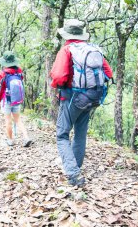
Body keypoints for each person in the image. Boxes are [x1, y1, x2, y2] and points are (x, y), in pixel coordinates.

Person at [50, 19, 113, 186]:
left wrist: (58, 87)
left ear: (67, 35)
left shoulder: (67, 50)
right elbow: (108, 72)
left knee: (62, 135)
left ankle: (72, 173)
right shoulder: (93, 49)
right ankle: (75, 168)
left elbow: (58, 76)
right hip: (92, 98)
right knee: (80, 133)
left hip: (72, 98)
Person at [0, 51, 32, 147]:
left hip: (6, 99)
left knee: (8, 120)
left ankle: (10, 140)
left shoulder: (3, 73)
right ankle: (26, 137)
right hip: (16, 99)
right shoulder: (19, 71)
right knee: (18, 120)